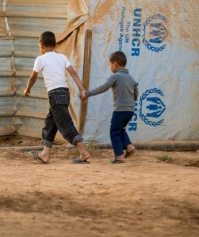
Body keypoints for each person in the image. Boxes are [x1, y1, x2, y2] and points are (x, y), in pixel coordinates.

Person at [24, 31, 91, 164]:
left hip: (54, 95)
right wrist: (82, 89)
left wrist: (27, 89)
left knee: (65, 124)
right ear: (55, 45)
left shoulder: (40, 59)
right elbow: (73, 74)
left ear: (41, 45)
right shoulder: (62, 57)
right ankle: (45, 154)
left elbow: (32, 78)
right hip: (65, 94)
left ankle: (83, 152)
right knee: (51, 123)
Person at [80, 51, 138, 163]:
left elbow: (103, 87)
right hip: (130, 110)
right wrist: (130, 102)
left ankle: (119, 157)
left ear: (115, 64)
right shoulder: (131, 78)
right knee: (120, 129)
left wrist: (87, 94)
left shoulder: (115, 76)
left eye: (109, 64)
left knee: (114, 132)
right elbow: (136, 93)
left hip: (120, 110)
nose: (109, 67)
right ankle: (130, 147)